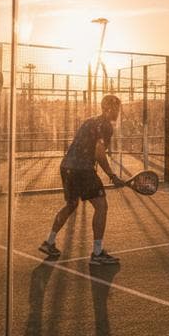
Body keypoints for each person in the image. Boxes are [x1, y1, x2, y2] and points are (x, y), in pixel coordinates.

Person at [39, 95, 126, 265]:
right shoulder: (106, 126)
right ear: (108, 109)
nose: (118, 112)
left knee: (71, 204)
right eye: (116, 108)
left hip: (67, 167)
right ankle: (97, 253)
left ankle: (49, 242)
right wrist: (112, 175)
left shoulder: (89, 121)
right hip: (82, 169)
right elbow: (99, 152)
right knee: (101, 206)